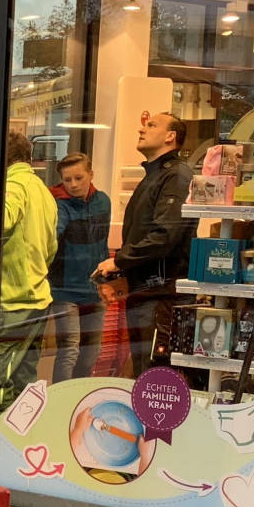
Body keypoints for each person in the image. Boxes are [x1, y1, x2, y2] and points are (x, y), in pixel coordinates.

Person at [93, 111, 192, 375]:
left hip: (161, 296)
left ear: (171, 136)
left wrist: (120, 261)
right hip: (145, 293)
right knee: (144, 373)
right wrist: (124, 274)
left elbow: (165, 236)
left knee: (155, 376)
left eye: (152, 125)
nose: (142, 129)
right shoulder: (155, 176)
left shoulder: (176, 175)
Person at [0, 128, 57, 415]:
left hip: (13, 296)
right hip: (39, 296)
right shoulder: (43, 192)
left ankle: (0, 438)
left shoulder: (12, 184)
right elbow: (51, 247)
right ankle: (23, 436)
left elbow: (0, 220)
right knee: (24, 375)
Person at [45, 152, 111, 380]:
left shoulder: (103, 201)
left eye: (79, 178)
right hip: (64, 289)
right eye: (67, 180)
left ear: (91, 174)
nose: (73, 184)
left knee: (91, 352)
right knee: (69, 349)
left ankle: (79, 396)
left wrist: (107, 282)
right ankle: (60, 399)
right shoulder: (57, 205)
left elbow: (102, 244)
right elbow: (51, 238)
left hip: (94, 289)